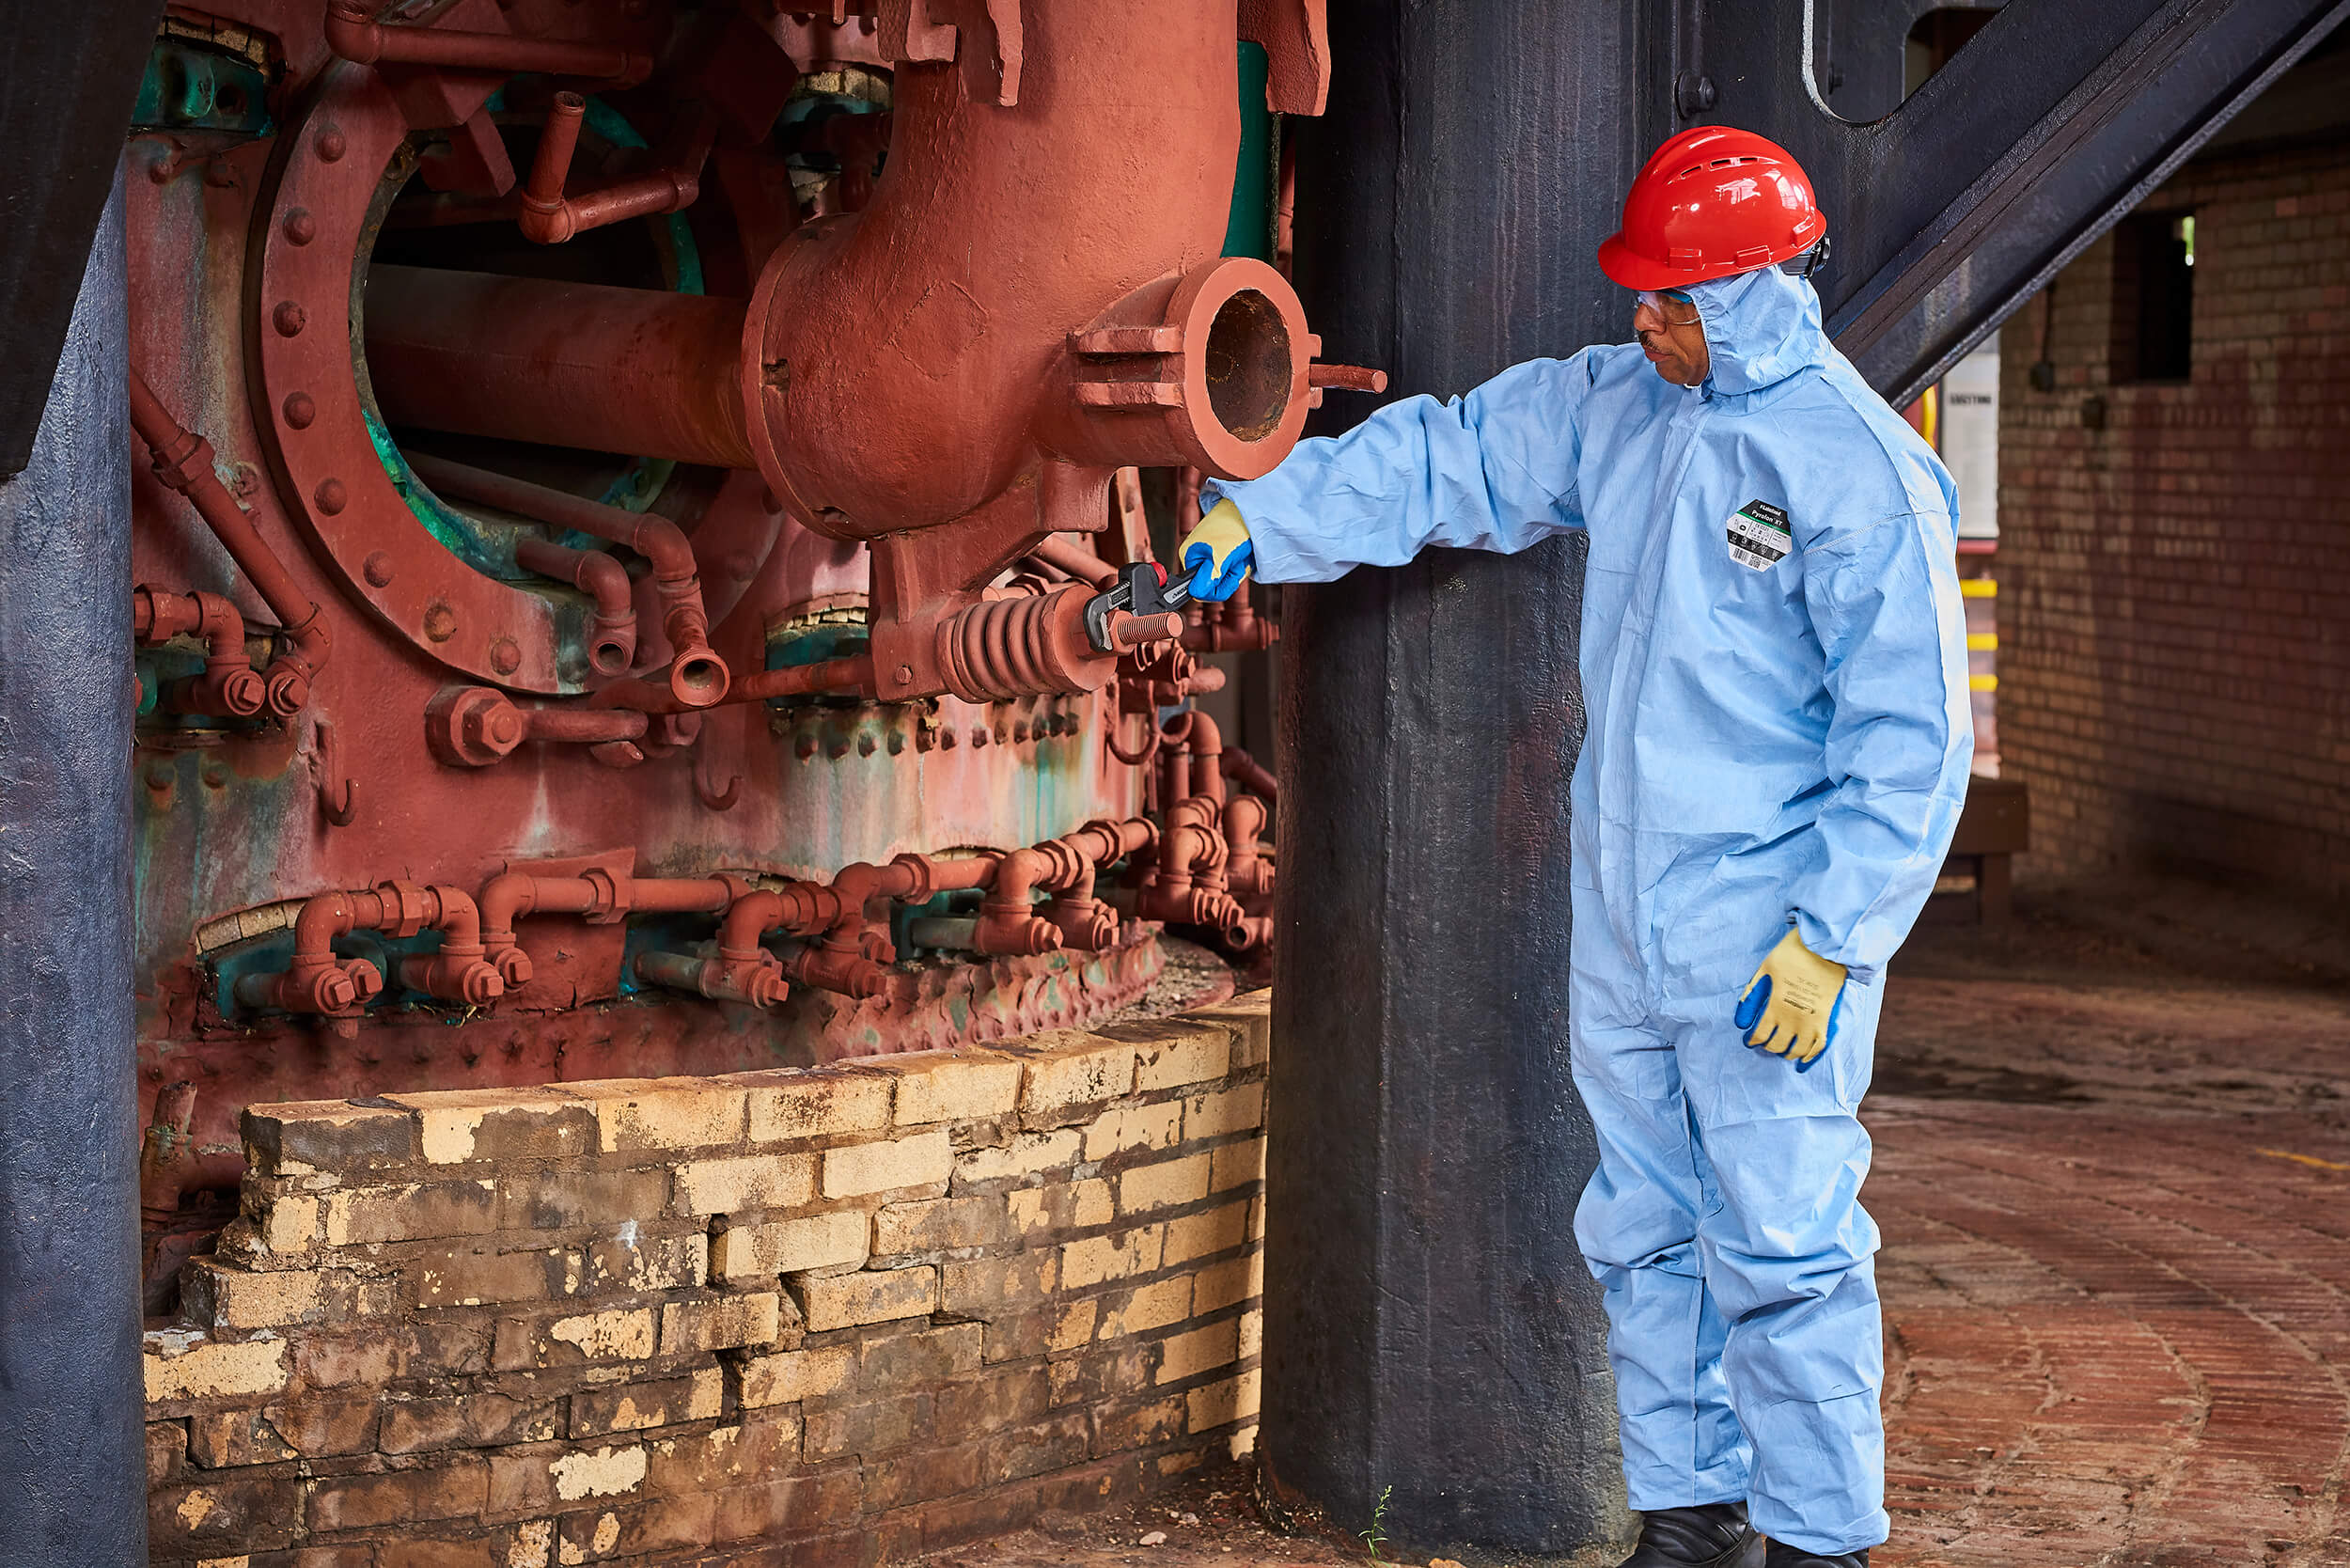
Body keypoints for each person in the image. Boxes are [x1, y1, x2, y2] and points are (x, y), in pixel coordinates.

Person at [1176, 126, 1972, 1568]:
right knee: (1644, 1235)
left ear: (1746, 290)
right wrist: (1265, 516)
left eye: (1669, 299)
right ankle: (1690, 1519)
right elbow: (1456, 453)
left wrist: (1832, 941)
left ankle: (1821, 1543)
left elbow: (1911, 747)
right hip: (1623, 914)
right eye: (1643, 296)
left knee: (1785, 1252)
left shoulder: (1858, 473)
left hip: (1767, 937)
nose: (1642, 320)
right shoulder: (1622, 406)